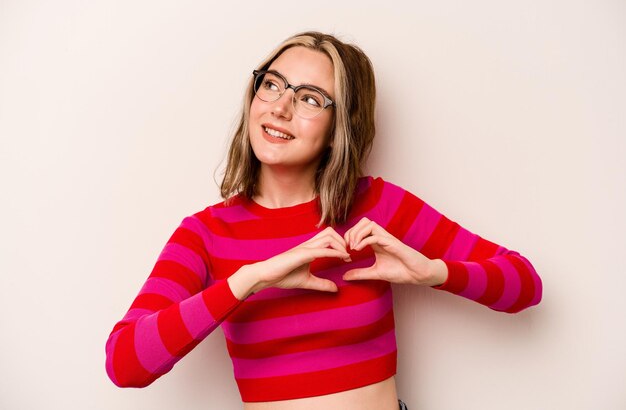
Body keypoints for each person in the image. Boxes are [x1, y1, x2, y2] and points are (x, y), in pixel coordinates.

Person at [105, 31, 542, 410]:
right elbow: (125, 362)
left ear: (339, 128)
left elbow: (524, 283)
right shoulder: (206, 234)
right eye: (272, 85)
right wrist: (250, 279)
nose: (280, 108)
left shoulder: (377, 206)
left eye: (310, 98)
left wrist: (434, 273)